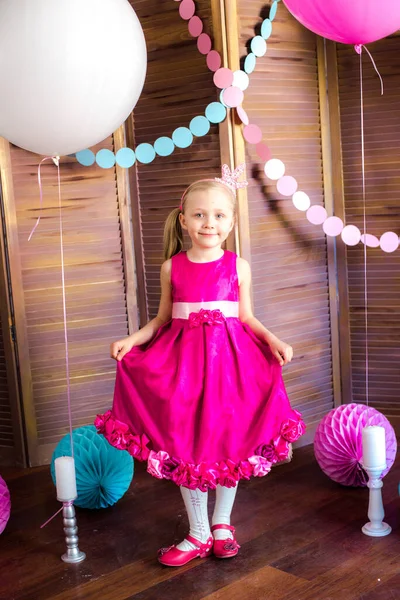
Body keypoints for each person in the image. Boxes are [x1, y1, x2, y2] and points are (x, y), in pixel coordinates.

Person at [95, 164, 305, 567]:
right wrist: (130, 340)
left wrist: (273, 339)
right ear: (184, 220)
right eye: (200, 214)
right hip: (182, 370)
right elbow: (160, 320)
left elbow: (246, 318)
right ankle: (198, 532)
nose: (209, 222)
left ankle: (222, 523)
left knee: (231, 442)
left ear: (230, 222)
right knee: (184, 444)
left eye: (219, 215)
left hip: (233, 369)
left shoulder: (237, 266)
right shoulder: (172, 267)